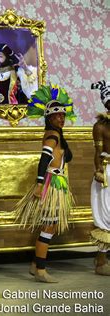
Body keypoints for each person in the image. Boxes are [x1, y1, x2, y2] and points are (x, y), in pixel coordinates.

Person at [14, 84, 76, 283]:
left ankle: (35, 265)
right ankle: (40, 270)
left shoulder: (57, 135)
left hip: (58, 183)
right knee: (49, 226)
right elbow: (43, 160)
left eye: (63, 115)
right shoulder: (52, 136)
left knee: (51, 225)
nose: (61, 118)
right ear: (49, 118)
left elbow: (67, 157)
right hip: (51, 183)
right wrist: (40, 184)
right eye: (57, 116)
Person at [90, 80, 110, 276]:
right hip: (107, 172)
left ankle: (101, 258)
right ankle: (101, 262)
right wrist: (98, 171)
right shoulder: (100, 126)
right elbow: (97, 151)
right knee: (106, 216)